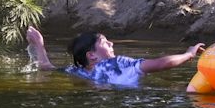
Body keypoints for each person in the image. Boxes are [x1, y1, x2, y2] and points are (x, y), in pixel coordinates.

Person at [24, 25, 202, 89]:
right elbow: (162, 63)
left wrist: (39, 45)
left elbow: (46, 68)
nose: (112, 44)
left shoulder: (78, 71)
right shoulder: (118, 64)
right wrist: (188, 54)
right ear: (91, 55)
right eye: (105, 42)